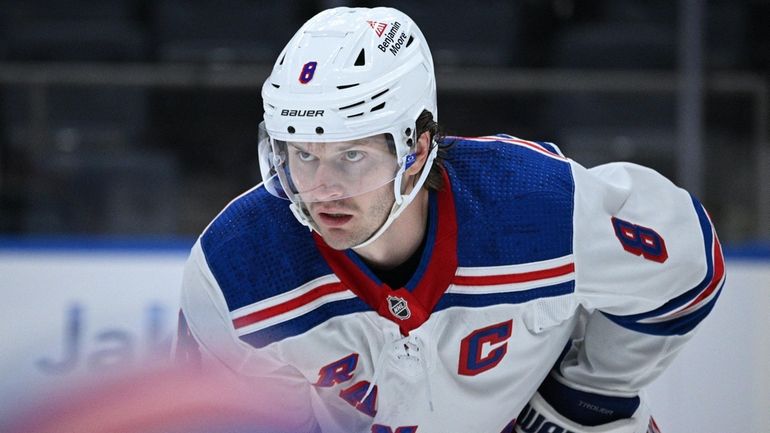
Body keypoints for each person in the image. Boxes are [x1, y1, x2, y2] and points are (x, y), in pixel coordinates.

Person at [176, 6, 725, 433]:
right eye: (303, 155)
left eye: (351, 155)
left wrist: (585, 399)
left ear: (418, 145)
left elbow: (686, 265)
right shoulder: (236, 272)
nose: (322, 189)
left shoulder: (538, 207)